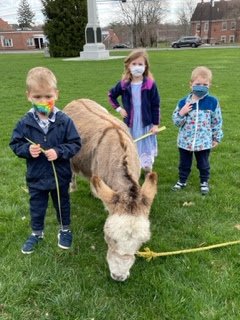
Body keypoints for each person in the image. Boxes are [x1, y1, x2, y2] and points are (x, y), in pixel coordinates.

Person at [9, 67, 81, 254]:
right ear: (29, 96)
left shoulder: (65, 121)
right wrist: (27, 149)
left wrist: (59, 151)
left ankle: (65, 229)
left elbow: (75, 143)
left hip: (60, 176)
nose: (43, 101)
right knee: (37, 206)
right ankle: (37, 233)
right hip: (37, 176)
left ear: (56, 94)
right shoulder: (24, 123)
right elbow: (15, 143)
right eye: (37, 97)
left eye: (48, 96)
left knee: (62, 204)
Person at [172, 66, 223, 195]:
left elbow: (217, 121)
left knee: (203, 164)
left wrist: (216, 137)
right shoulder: (183, 102)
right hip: (185, 141)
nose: (201, 86)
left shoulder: (212, 102)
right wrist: (182, 113)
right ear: (191, 84)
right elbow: (177, 122)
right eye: (198, 84)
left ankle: (204, 182)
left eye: (204, 84)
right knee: (184, 163)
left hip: (204, 142)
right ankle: (182, 180)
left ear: (209, 85)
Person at [108, 49, 160, 174]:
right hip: (130, 124)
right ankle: (133, 167)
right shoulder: (124, 85)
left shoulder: (150, 85)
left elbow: (155, 105)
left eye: (140, 64)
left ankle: (147, 168)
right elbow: (111, 95)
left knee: (144, 145)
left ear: (145, 66)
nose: (137, 67)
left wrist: (155, 124)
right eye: (134, 64)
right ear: (128, 66)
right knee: (131, 145)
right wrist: (119, 109)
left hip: (145, 124)